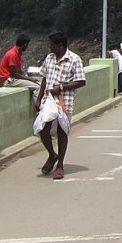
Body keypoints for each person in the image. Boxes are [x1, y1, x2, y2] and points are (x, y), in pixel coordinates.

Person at [37, 31, 86, 180]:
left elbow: (81, 81)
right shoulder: (49, 58)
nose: (49, 47)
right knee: (42, 129)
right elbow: (44, 78)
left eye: (52, 44)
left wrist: (63, 87)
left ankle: (60, 165)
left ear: (60, 45)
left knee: (61, 132)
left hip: (65, 101)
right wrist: (39, 99)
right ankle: (52, 155)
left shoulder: (74, 59)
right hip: (48, 100)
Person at [0, 34, 40, 101]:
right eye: (27, 45)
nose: (28, 47)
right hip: (8, 80)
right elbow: (14, 74)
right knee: (37, 87)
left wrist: (28, 78)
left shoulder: (17, 53)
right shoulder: (13, 54)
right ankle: (39, 108)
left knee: (38, 83)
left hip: (12, 79)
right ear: (25, 44)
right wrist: (30, 79)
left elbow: (19, 71)